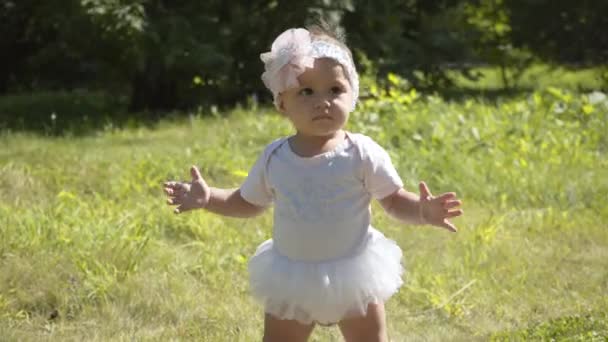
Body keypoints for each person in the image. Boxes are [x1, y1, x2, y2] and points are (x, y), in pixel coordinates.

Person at [163, 26, 463, 342]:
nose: (322, 102)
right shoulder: (275, 157)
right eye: (306, 92)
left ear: (353, 95)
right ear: (282, 103)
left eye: (335, 90)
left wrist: (421, 211)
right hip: (292, 277)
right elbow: (247, 202)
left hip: (354, 273)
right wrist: (208, 198)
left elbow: (393, 200)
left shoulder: (361, 152)